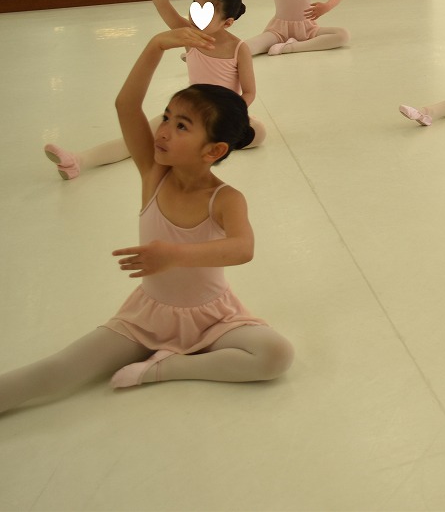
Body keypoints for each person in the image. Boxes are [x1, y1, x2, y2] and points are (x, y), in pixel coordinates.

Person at [3, 27, 293, 414]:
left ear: (213, 150)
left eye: (181, 126)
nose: (163, 131)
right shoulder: (154, 175)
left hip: (213, 317)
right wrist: (155, 46)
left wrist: (174, 255)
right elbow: (127, 105)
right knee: (59, 370)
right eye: (167, 118)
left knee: (276, 354)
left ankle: (168, 368)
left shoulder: (226, 199)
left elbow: (243, 248)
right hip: (147, 317)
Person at [43, 0, 264, 180]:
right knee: (138, 137)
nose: (195, 15)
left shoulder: (239, 49)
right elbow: (161, 4)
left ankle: (199, 144)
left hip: (222, 116)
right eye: (195, 6)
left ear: (227, 23)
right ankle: (78, 160)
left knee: (259, 133)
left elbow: (249, 92)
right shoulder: (188, 35)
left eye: (207, 12)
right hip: (189, 111)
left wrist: (228, 114)